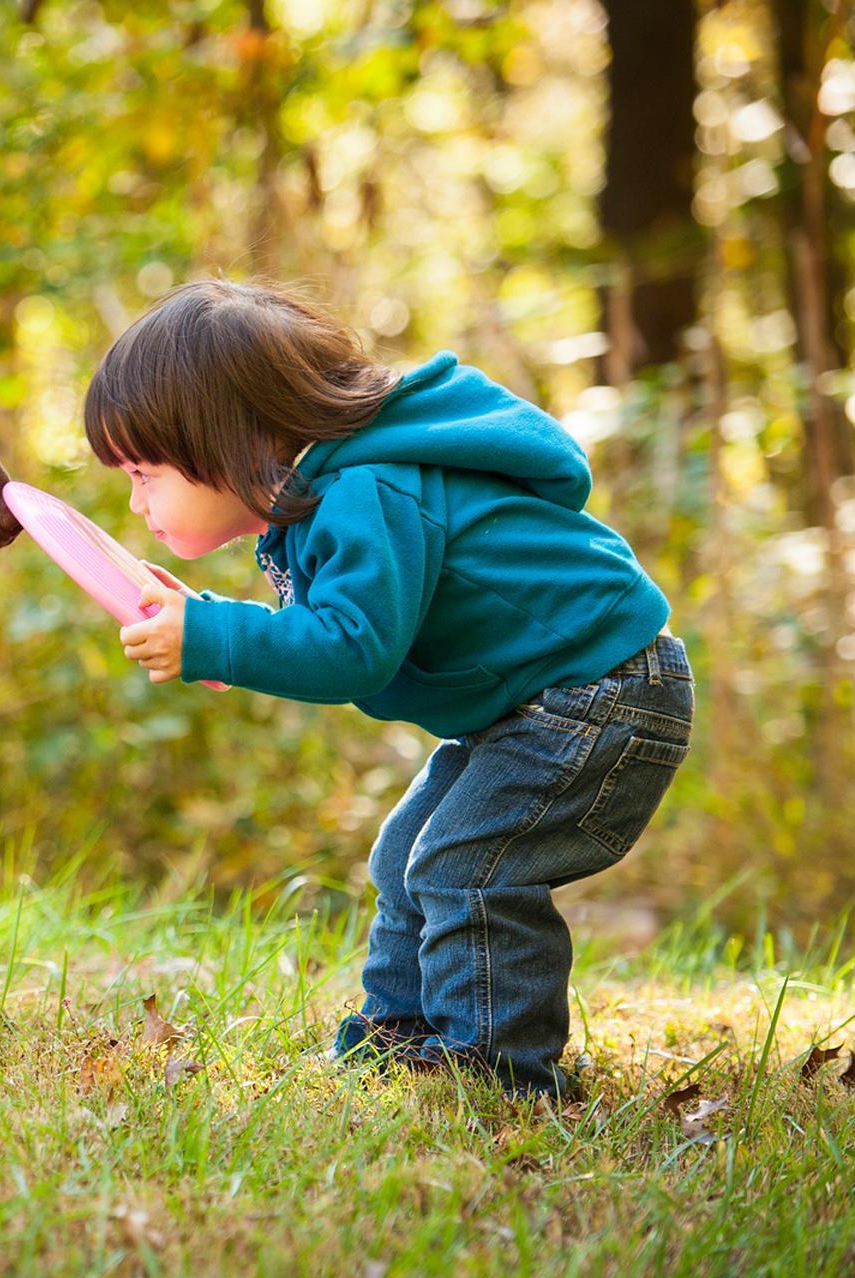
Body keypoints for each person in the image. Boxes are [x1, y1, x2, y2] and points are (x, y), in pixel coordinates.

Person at [89, 279, 693, 1098]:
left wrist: (217, 641)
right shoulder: (330, 494)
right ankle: (401, 1035)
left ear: (230, 439)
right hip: (541, 703)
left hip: (602, 694)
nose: (137, 501)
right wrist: (217, 634)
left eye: (145, 472)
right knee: (407, 853)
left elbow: (353, 648)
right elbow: (331, 625)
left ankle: (497, 1072)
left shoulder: (371, 490)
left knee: (465, 864)